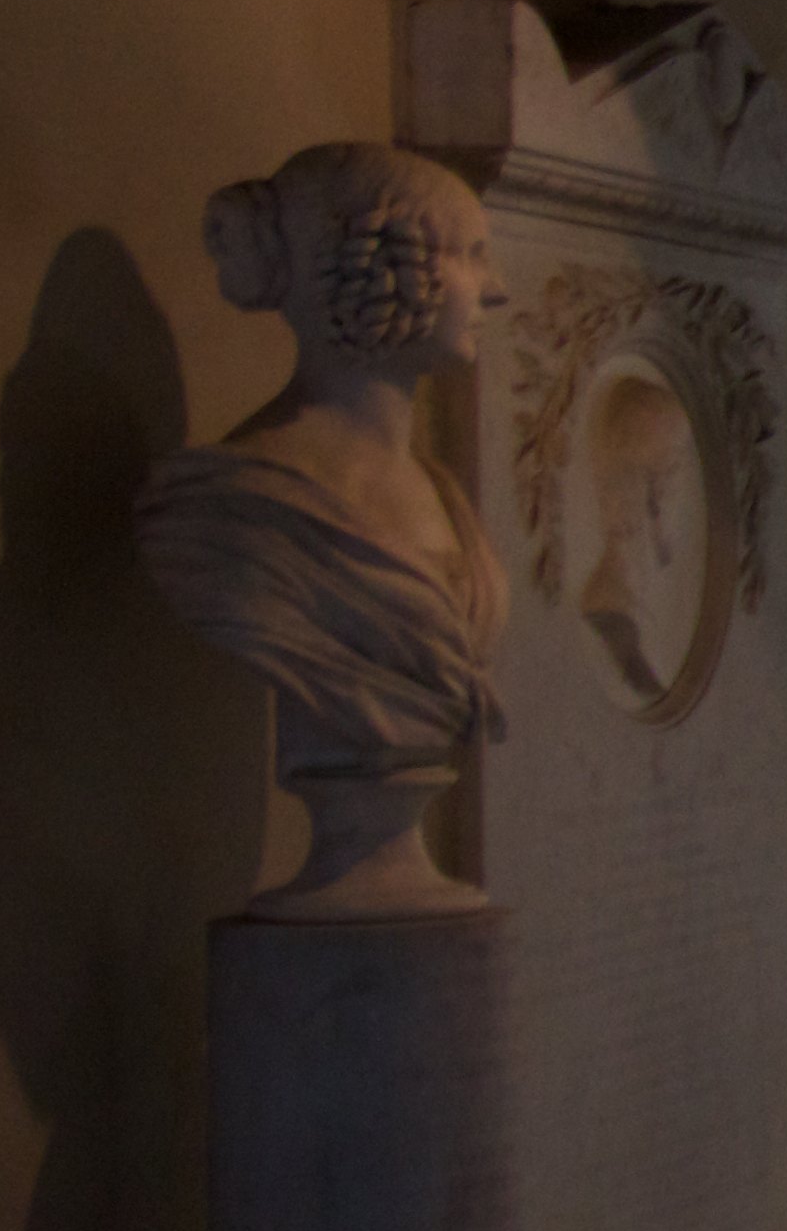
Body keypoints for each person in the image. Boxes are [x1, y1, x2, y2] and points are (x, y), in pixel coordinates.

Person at [133, 141, 509, 915]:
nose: (496, 289)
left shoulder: (447, 502)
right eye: (473, 255)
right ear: (387, 262)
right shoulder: (232, 511)